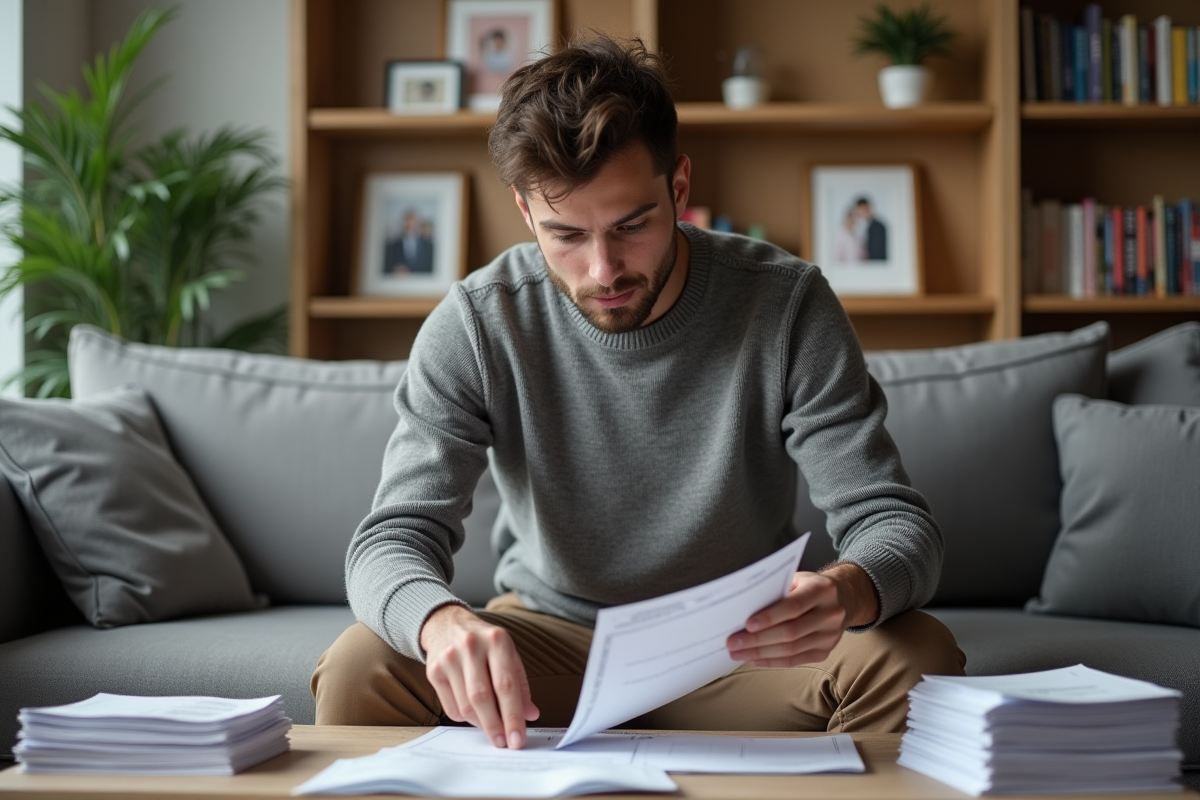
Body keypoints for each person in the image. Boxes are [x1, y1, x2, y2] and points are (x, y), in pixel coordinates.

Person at [313, 35, 964, 751]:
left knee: (918, 661)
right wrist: (440, 623)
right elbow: (390, 540)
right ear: (525, 213)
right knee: (360, 666)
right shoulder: (476, 322)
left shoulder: (786, 306)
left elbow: (897, 525)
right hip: (549, 647)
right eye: (565, 234)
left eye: (633, 225)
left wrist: (846, 590)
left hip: (744, 647)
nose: (603, 269)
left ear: (678, 186)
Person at [854, 197, 888, 261]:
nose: (862, 213)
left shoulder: (878, 227)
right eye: (860, 211)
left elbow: (878, 253)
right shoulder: (860, 227)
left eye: (864, 210)